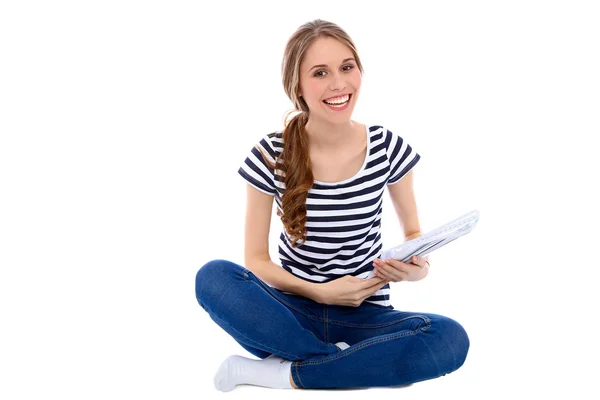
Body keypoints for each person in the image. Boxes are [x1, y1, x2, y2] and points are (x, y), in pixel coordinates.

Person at [195, 19, 469, 392]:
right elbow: (256, 261)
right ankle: (341, 361)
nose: (338, 84)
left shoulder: (387, 147)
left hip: (366, 316)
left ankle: (287, 371)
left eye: (347, 67)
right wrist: (321, 292)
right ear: (298, 86)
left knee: (449, 338)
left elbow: (415, 238)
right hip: (289, 313)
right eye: (320, 73)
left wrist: (413, 271)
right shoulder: (270, 154)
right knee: (212, 277)